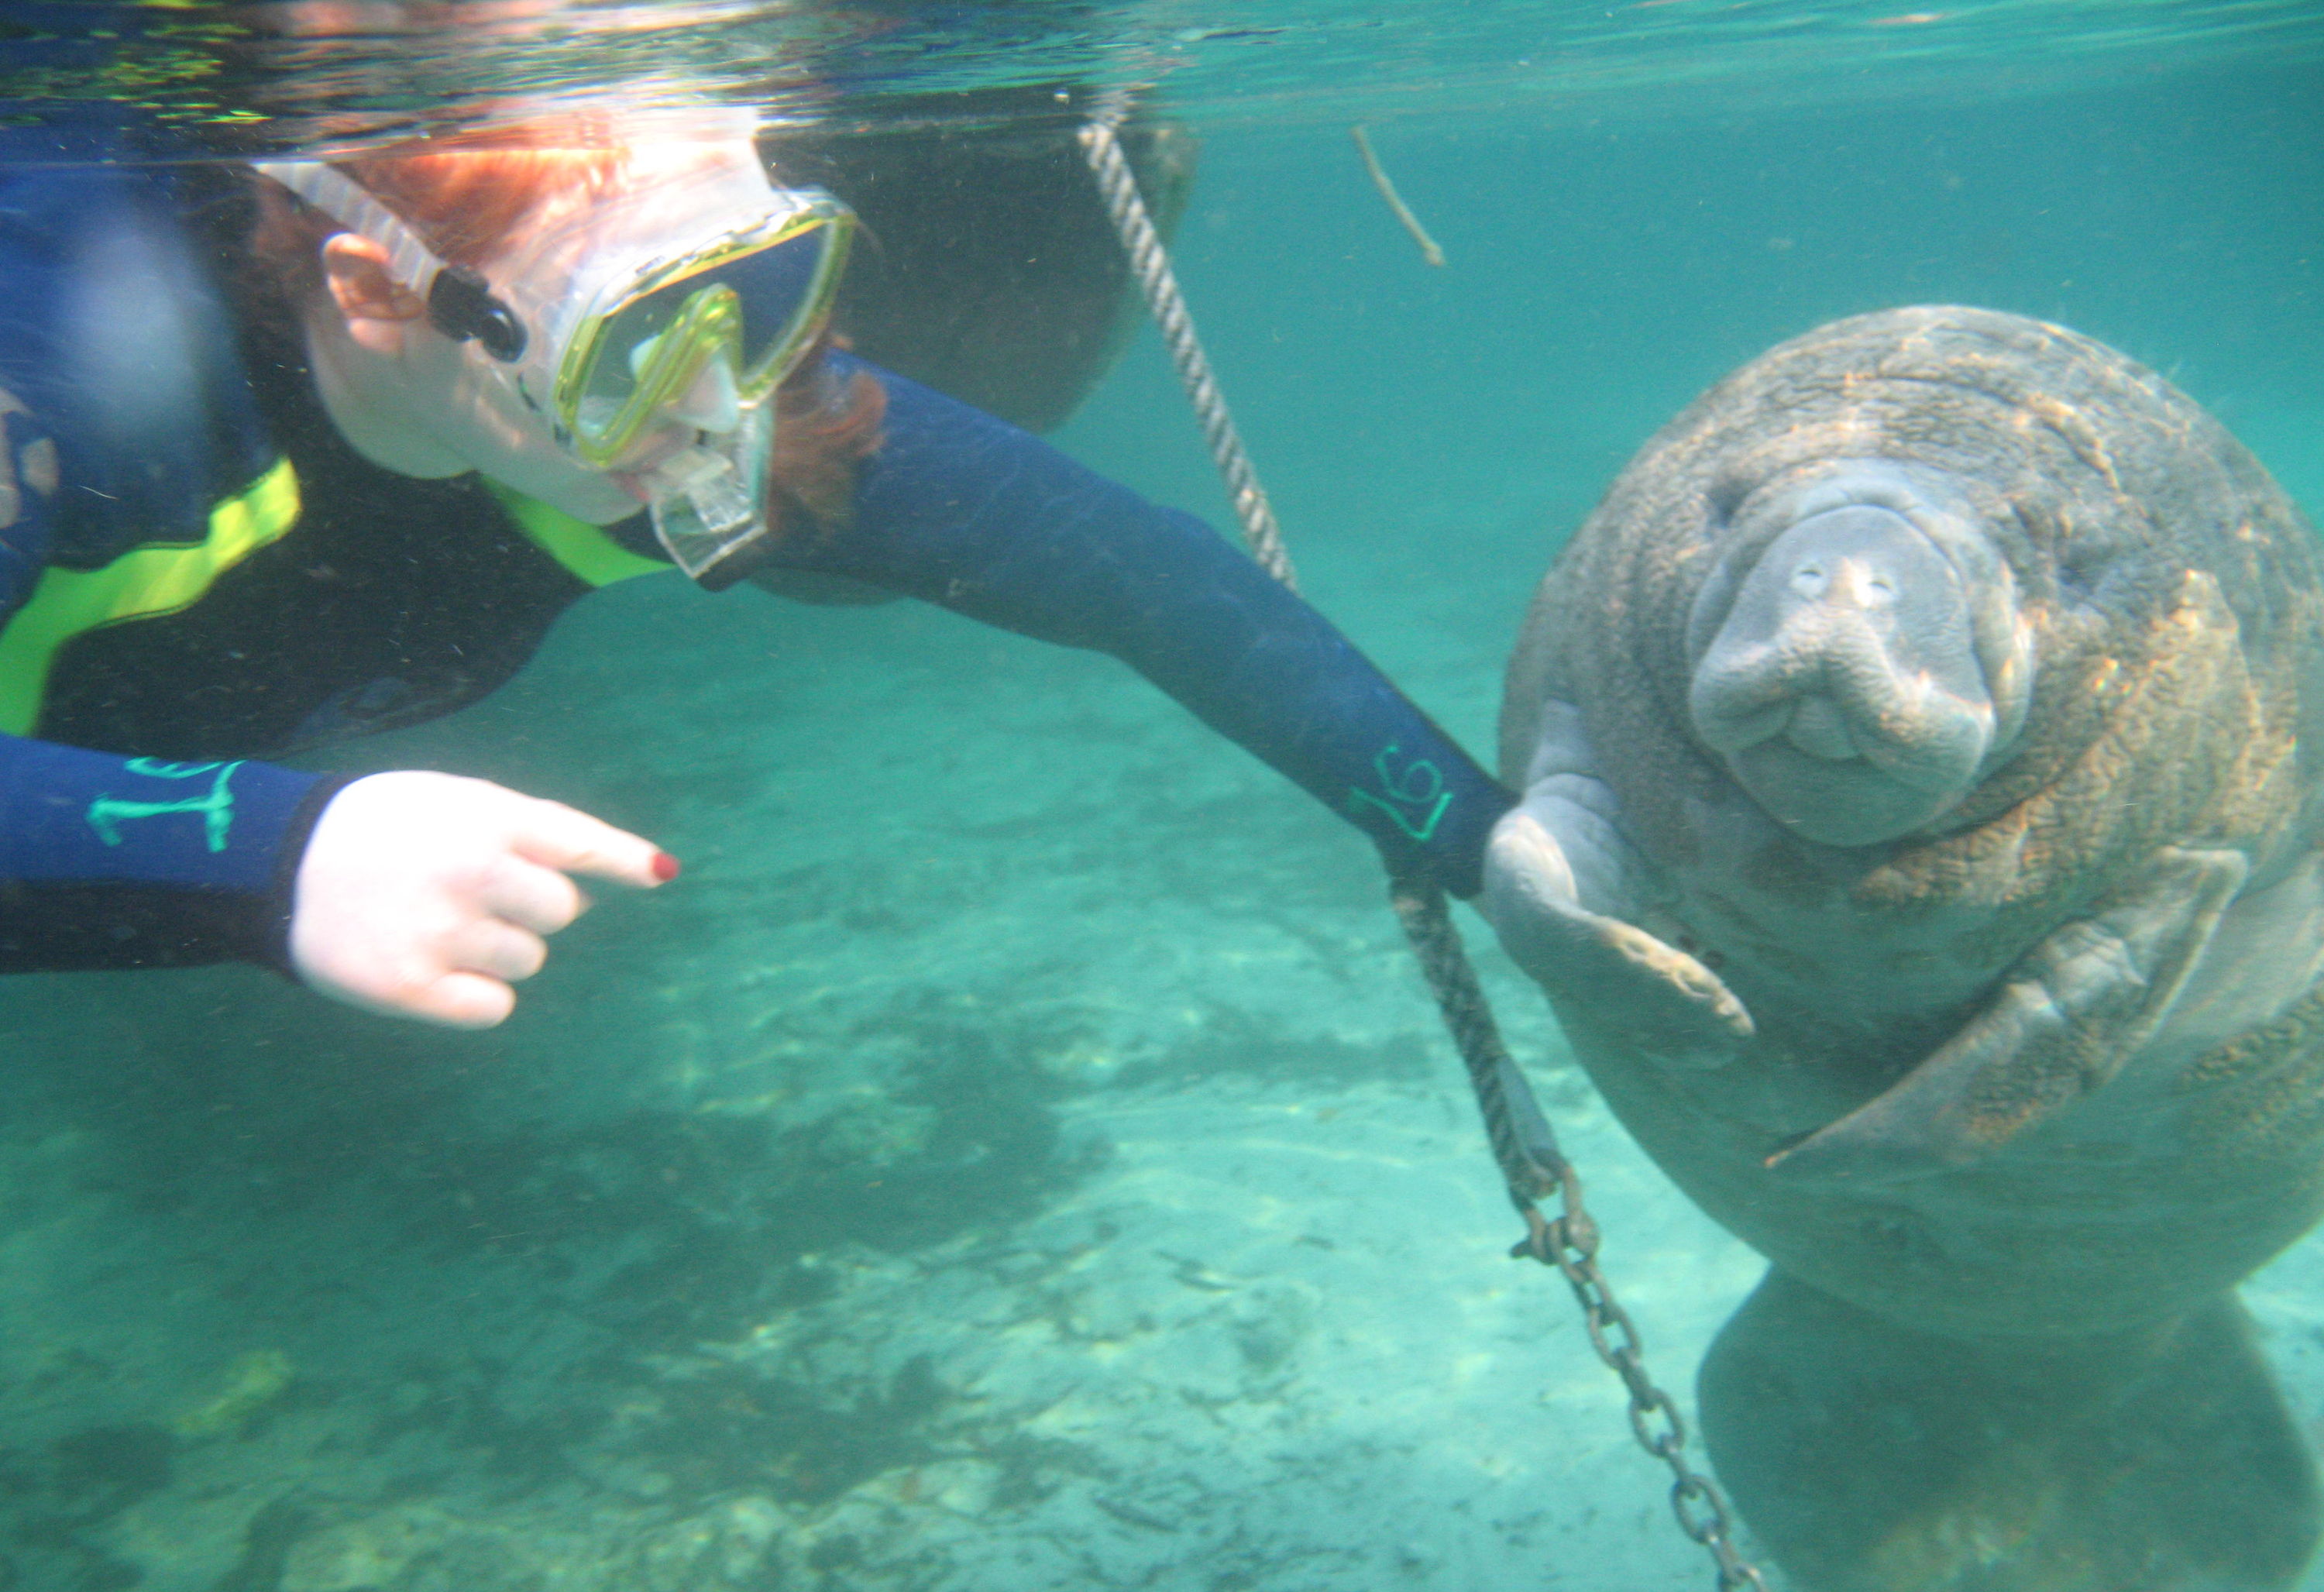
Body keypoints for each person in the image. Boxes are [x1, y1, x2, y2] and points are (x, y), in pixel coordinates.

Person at [0, 108, 1511, 1030]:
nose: (726, 405)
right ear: (379, 288)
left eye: (765, 282)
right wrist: (266, 857)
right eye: (633, 323)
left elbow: (1146, 580)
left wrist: (1489, 849)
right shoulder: (59, 374)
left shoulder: (669, 404)